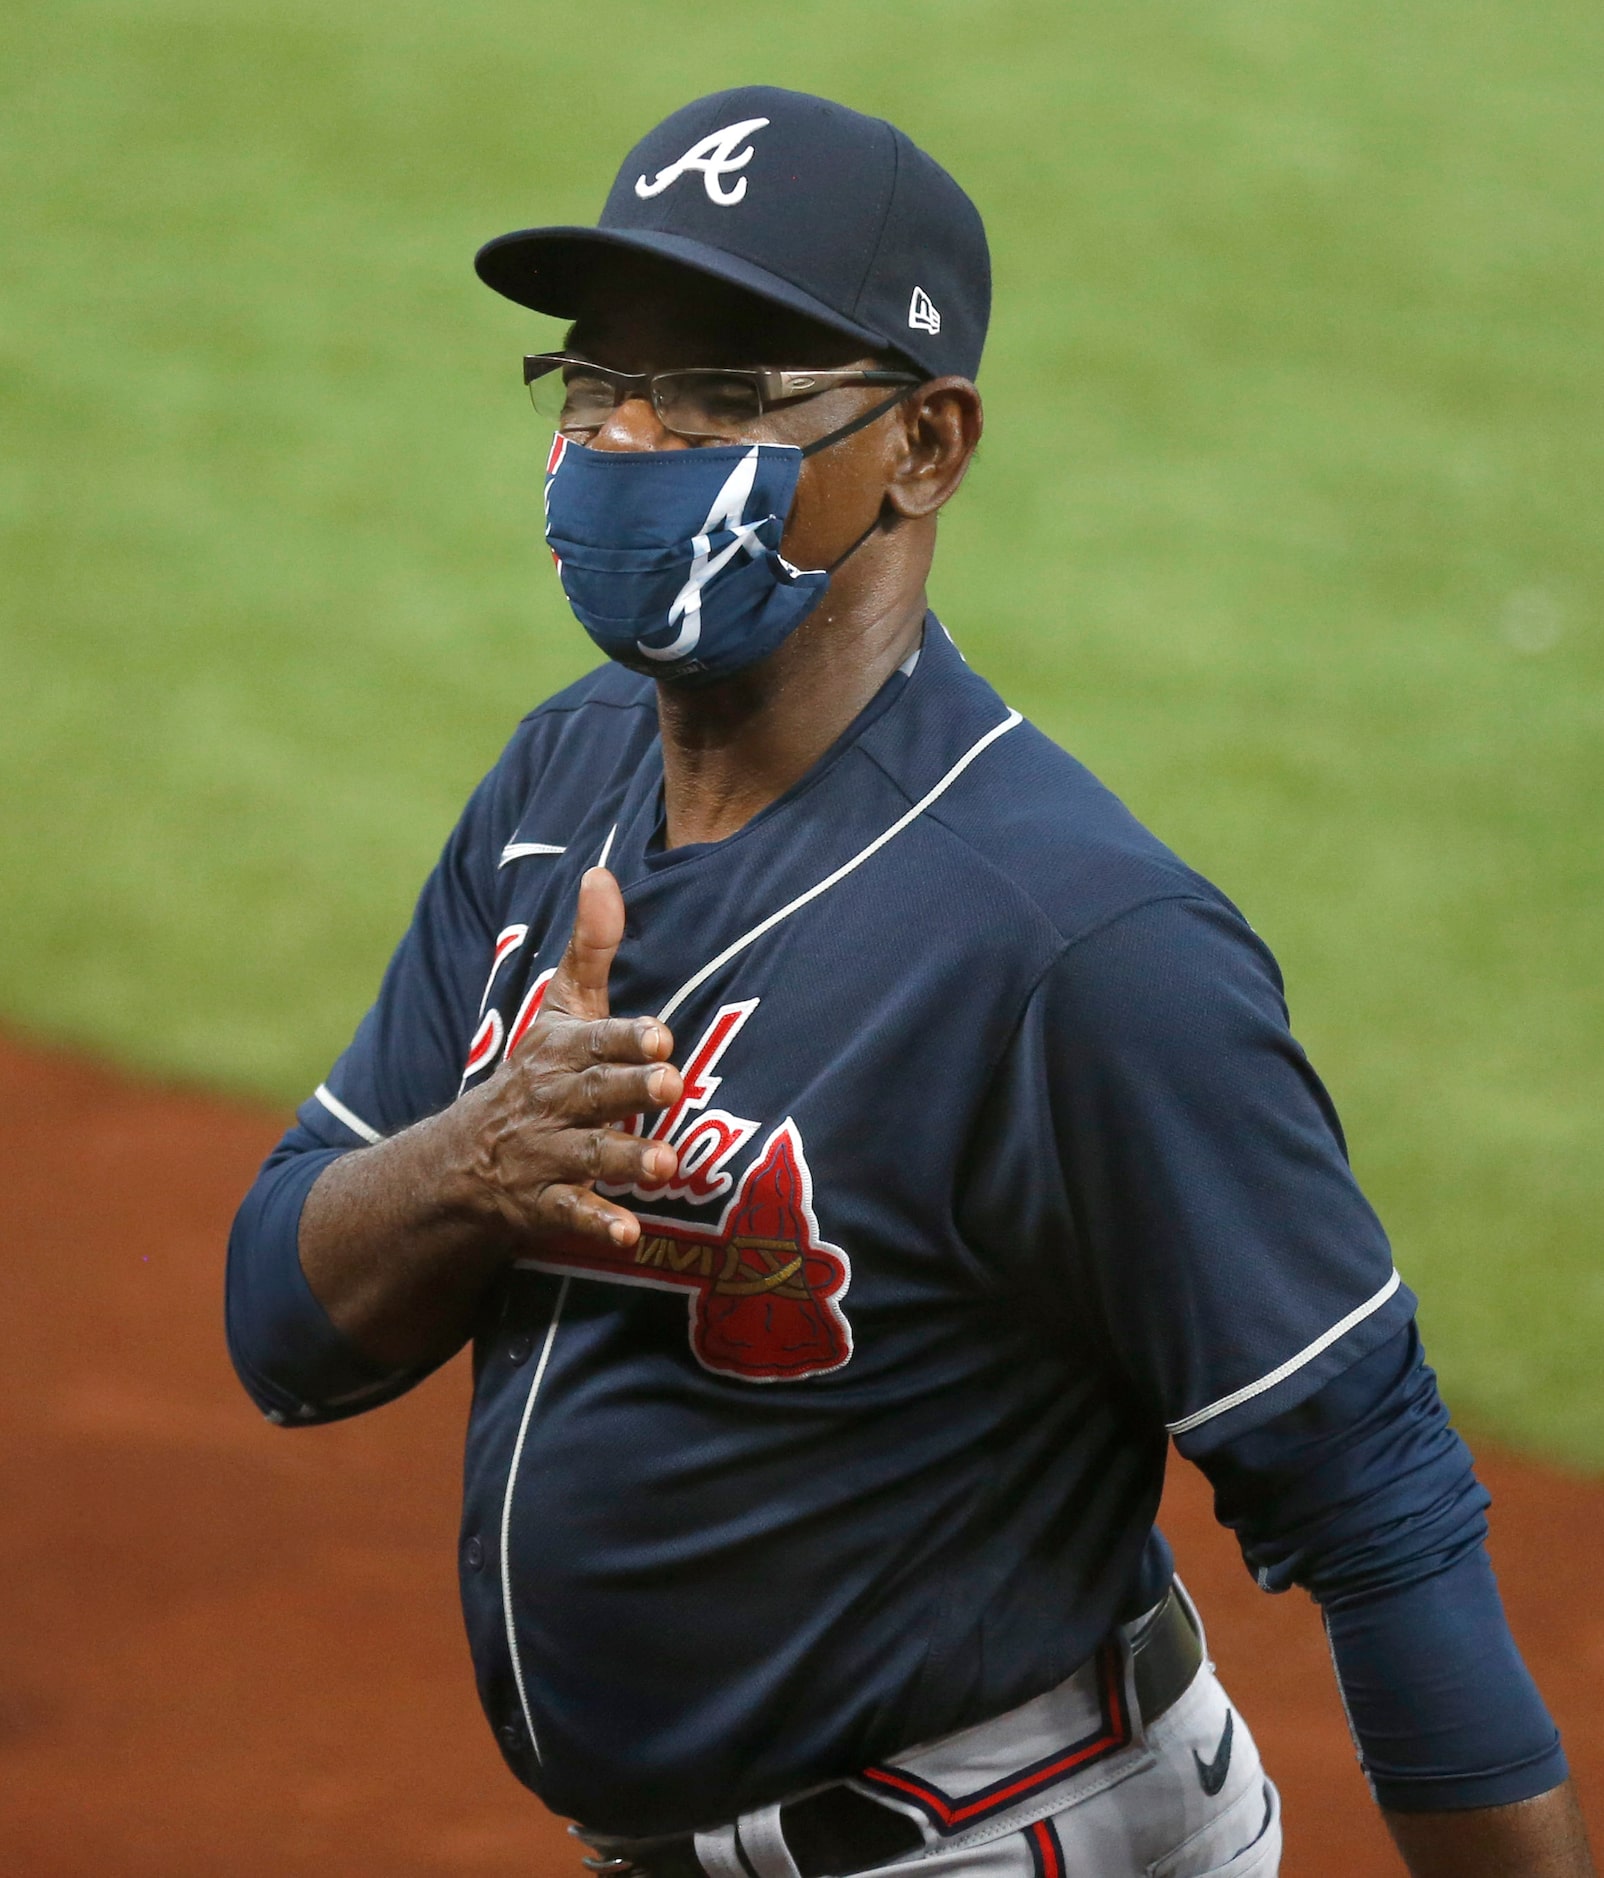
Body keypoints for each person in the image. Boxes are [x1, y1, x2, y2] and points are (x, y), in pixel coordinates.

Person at [225, 87, 1594, 1878]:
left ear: (927, 444)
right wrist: (473, 1163)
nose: (631, 441)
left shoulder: (1078, 949)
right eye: (596, 383)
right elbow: (280, 1328)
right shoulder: (558, 791)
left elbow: (1379, 1493)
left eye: (722, 393)